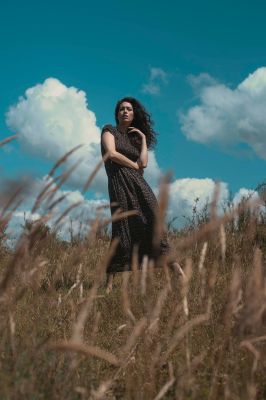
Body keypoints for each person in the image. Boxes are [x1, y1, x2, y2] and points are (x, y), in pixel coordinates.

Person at [101, 97, 181, 292]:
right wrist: (133, 165)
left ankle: (178, 272)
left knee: (154, 225)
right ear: (117, 114)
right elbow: (111, 153)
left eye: (129, 109)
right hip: (119, 183)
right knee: (121, 229)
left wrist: (143, 139)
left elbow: (143, 164)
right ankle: (109, 286)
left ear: (134, 114)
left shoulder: (135, 139)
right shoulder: (108, 130)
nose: (125, 112)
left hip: (139, 185)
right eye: (121, 109)